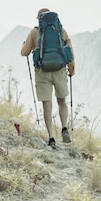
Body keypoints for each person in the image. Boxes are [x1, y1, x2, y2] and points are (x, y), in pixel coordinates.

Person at [21, 8, 75, 149]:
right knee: (61, 101)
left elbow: (24, 53)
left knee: (47, 104)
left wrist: (25, 45)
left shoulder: (34, 32)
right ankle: (64, 128)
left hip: (42, 72)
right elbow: (69, 49)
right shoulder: (60, 30)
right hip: (59, 70)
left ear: (39, 18)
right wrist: (72, 68)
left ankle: (51, 138)